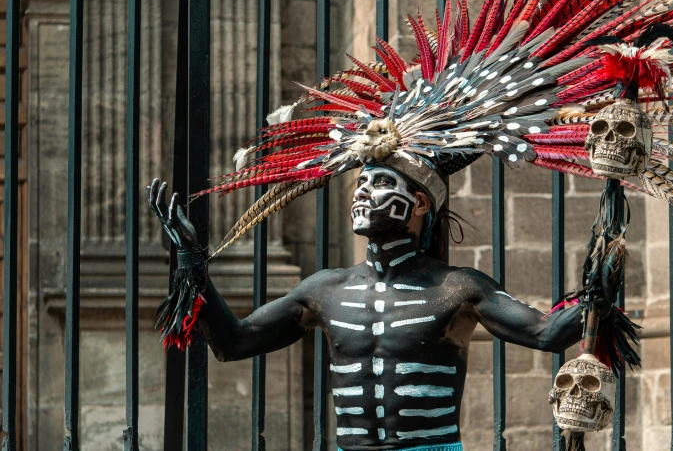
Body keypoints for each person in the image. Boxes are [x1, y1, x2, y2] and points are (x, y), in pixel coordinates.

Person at [147, 163, 587, 450]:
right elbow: (234, 342)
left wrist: (601, 275)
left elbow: (547, 334)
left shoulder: (458, 288)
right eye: (360, 183)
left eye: (379, 183)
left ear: (417, 202)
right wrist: (191, 264)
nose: (361, 193)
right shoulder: (325, 289)